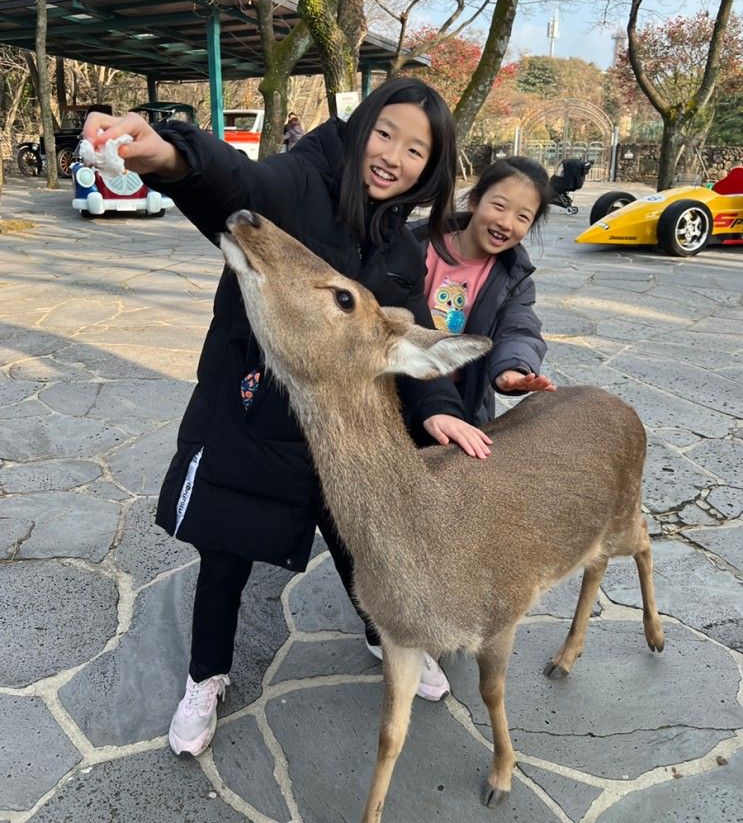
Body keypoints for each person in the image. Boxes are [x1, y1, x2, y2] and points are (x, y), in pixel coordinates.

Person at [82, 77, 492, 758]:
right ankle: (204, 676)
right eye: (384, 132)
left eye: (416, 149)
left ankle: (381, 631)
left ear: (433, 165)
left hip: (340, 442)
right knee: (224, 559)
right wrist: (174, 155)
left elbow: (404, 335)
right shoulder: (305, 179)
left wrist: (442, 409)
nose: (392, 155)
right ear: (360, 127)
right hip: (251, 417)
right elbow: (240, 188)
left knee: (364, 544)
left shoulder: (402, 250)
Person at [413, 156, 556, 426]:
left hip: (457, 402)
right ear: (475, 201)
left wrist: (513, 367)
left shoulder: (514, 280)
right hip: (396, 384)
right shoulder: (417, 246)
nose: (506, 222)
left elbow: (518, 327)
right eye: (499, 206)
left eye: (522, 217)